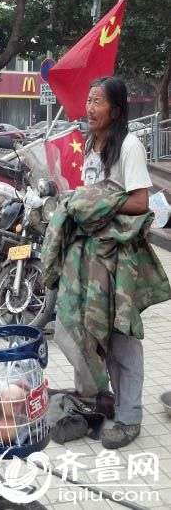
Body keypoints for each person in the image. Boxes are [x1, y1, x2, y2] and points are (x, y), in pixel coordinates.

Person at [82, 76, 152, 449]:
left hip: (122, 257)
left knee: (123, 334)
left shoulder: (130, 145)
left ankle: (130, 417)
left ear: (117, 109)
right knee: (99, 332)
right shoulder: (92, 145)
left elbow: (141, 201)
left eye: (97, 101)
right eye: (88, 100)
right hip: (93, 254)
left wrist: (99, 202)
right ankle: (110, 399)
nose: (89, 108)